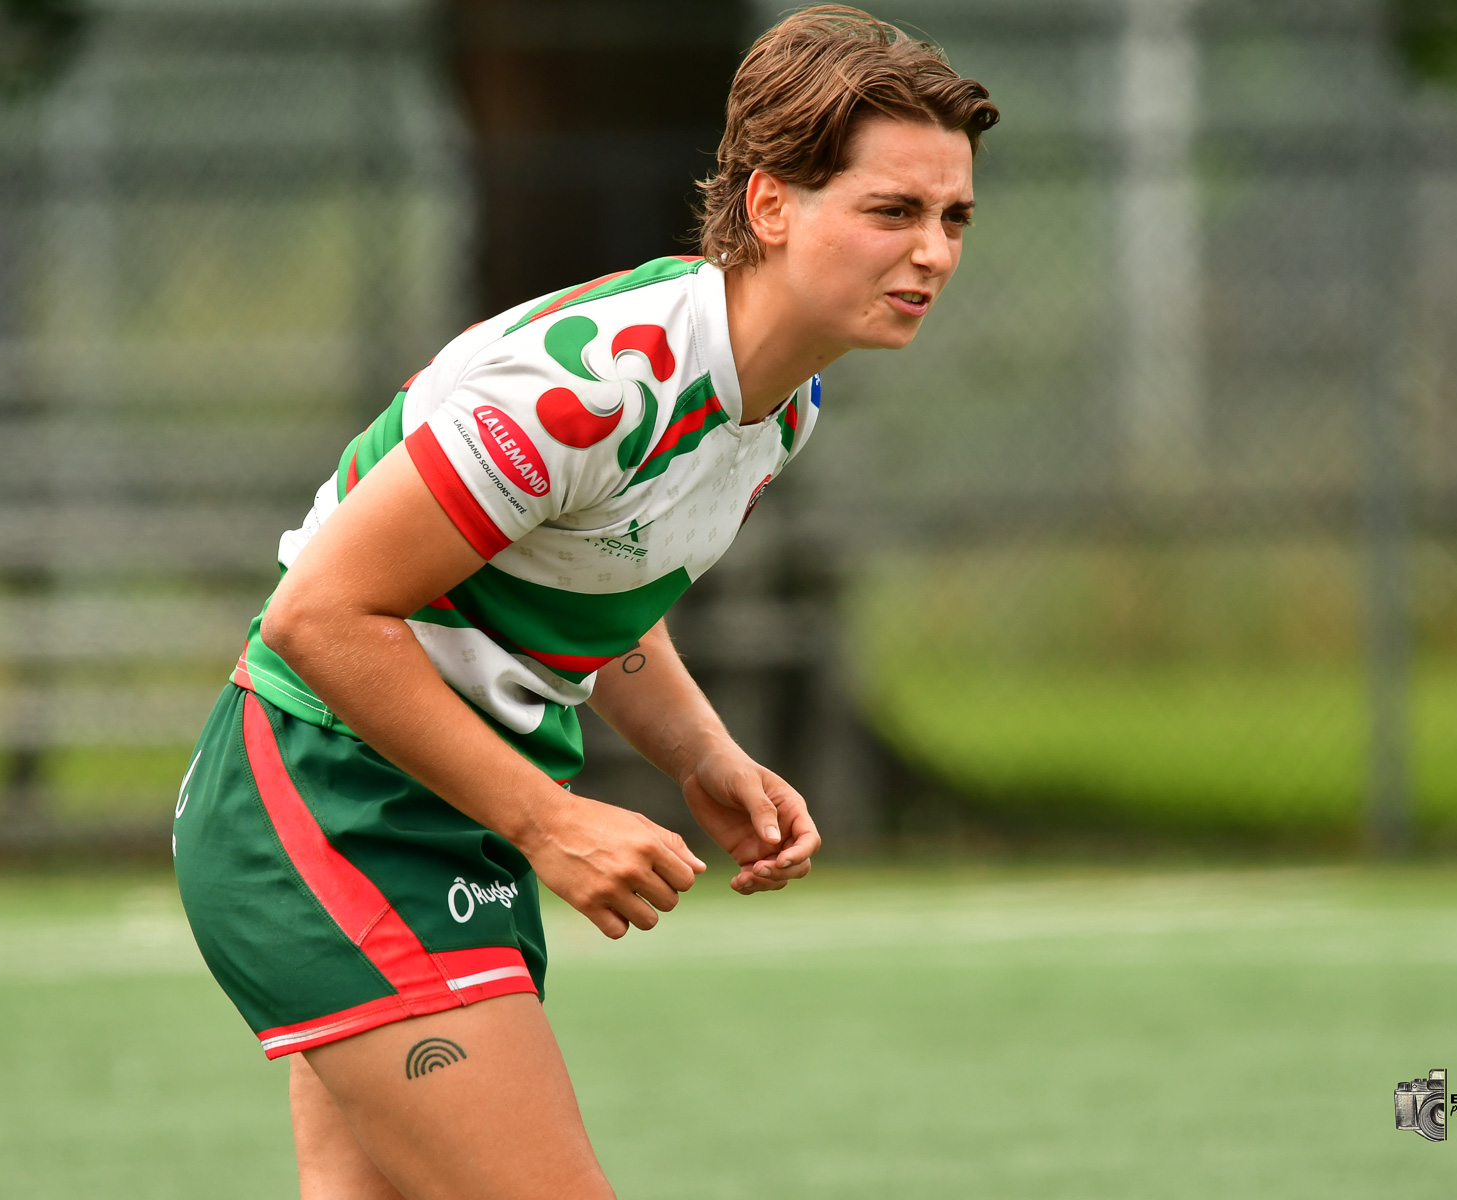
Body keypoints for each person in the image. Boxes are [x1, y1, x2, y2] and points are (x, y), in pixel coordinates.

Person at [172, 6, 997, 1197]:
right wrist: (551, 823)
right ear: (770, 206)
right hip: (325, 803)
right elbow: (319, 617)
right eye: (892, 211)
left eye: (953, 216)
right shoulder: (600, 391)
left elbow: (589, 583)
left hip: (429, 811)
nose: (933, 253)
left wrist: (702, 754)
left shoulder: (785, 399)